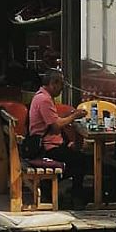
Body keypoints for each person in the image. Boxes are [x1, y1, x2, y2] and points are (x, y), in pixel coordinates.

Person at [28, 70, 90, 205]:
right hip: (46, 148)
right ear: (53, 83)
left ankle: (69, 191)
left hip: (49, 144)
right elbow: (55, 126)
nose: (62, 88)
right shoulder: (44, 100)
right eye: (61, 84)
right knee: (81, 161)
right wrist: (74, 116)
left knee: (78, 157)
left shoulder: (42, 96)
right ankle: (75, 196)